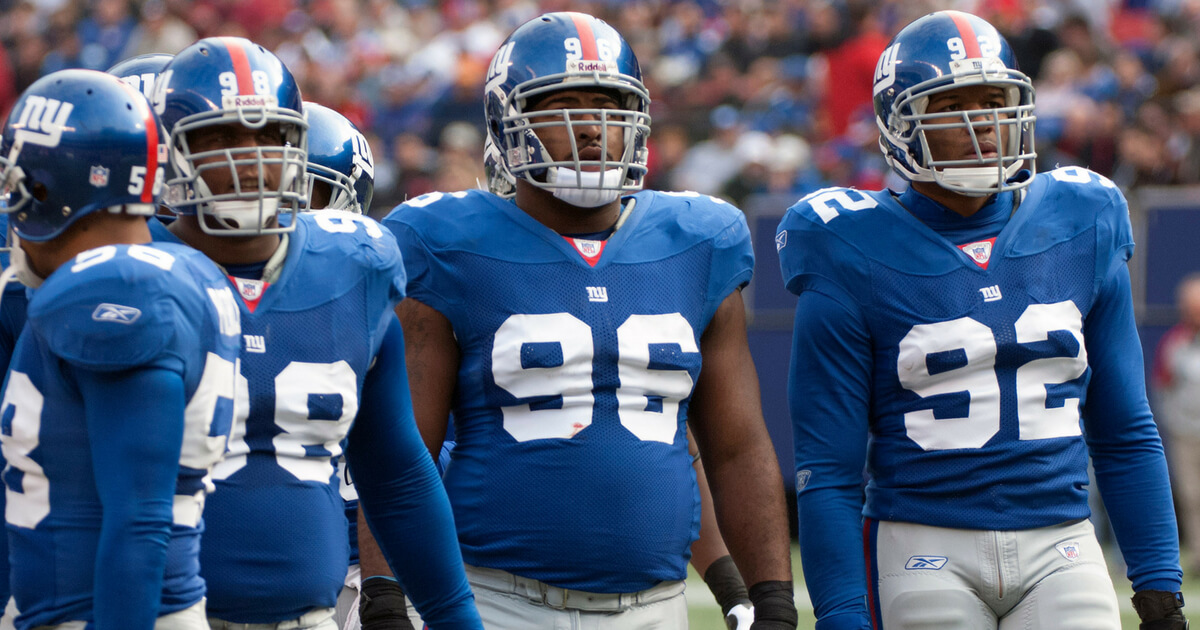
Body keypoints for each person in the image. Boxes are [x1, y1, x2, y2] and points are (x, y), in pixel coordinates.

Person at [371, 12, 796, 630]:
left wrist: (771, 598)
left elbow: (734, 448)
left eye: (608, 104)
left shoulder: (699, 240)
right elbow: (405, 452)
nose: (592, 126)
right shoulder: (445, 241)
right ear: (507, 124)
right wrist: (385, 596)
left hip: (657, 606)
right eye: (561, 105)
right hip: (493, 600)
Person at [775, 10, 1187, 630]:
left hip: (1063, 543)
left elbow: (1125, 430)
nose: (982, 126)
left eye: (995, 102)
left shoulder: (1083, 215)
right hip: (921, 546)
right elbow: (828, 470)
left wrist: (1158, 586)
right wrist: (840, 613)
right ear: (900, 127)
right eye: (953, 106)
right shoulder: (848, 242)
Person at [149, 36, 482, 629]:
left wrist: (455, 617)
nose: (245, 160)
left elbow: (398, 474)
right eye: (218, 137)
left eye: (267, 138)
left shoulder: (354, 265)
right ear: (169, 154)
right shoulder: (125, 271)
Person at [0, 68, 241, 630]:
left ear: (47, 190)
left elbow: (139, 521)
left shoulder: (114, 292)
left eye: (19, 183)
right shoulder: (183, 271)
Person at [1153, 272, 1200, 576]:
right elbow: (1162, 384)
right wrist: (1172, 421)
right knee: (1190, 495)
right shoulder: (1174, 341)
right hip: (1185, 433)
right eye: (1188, 306)